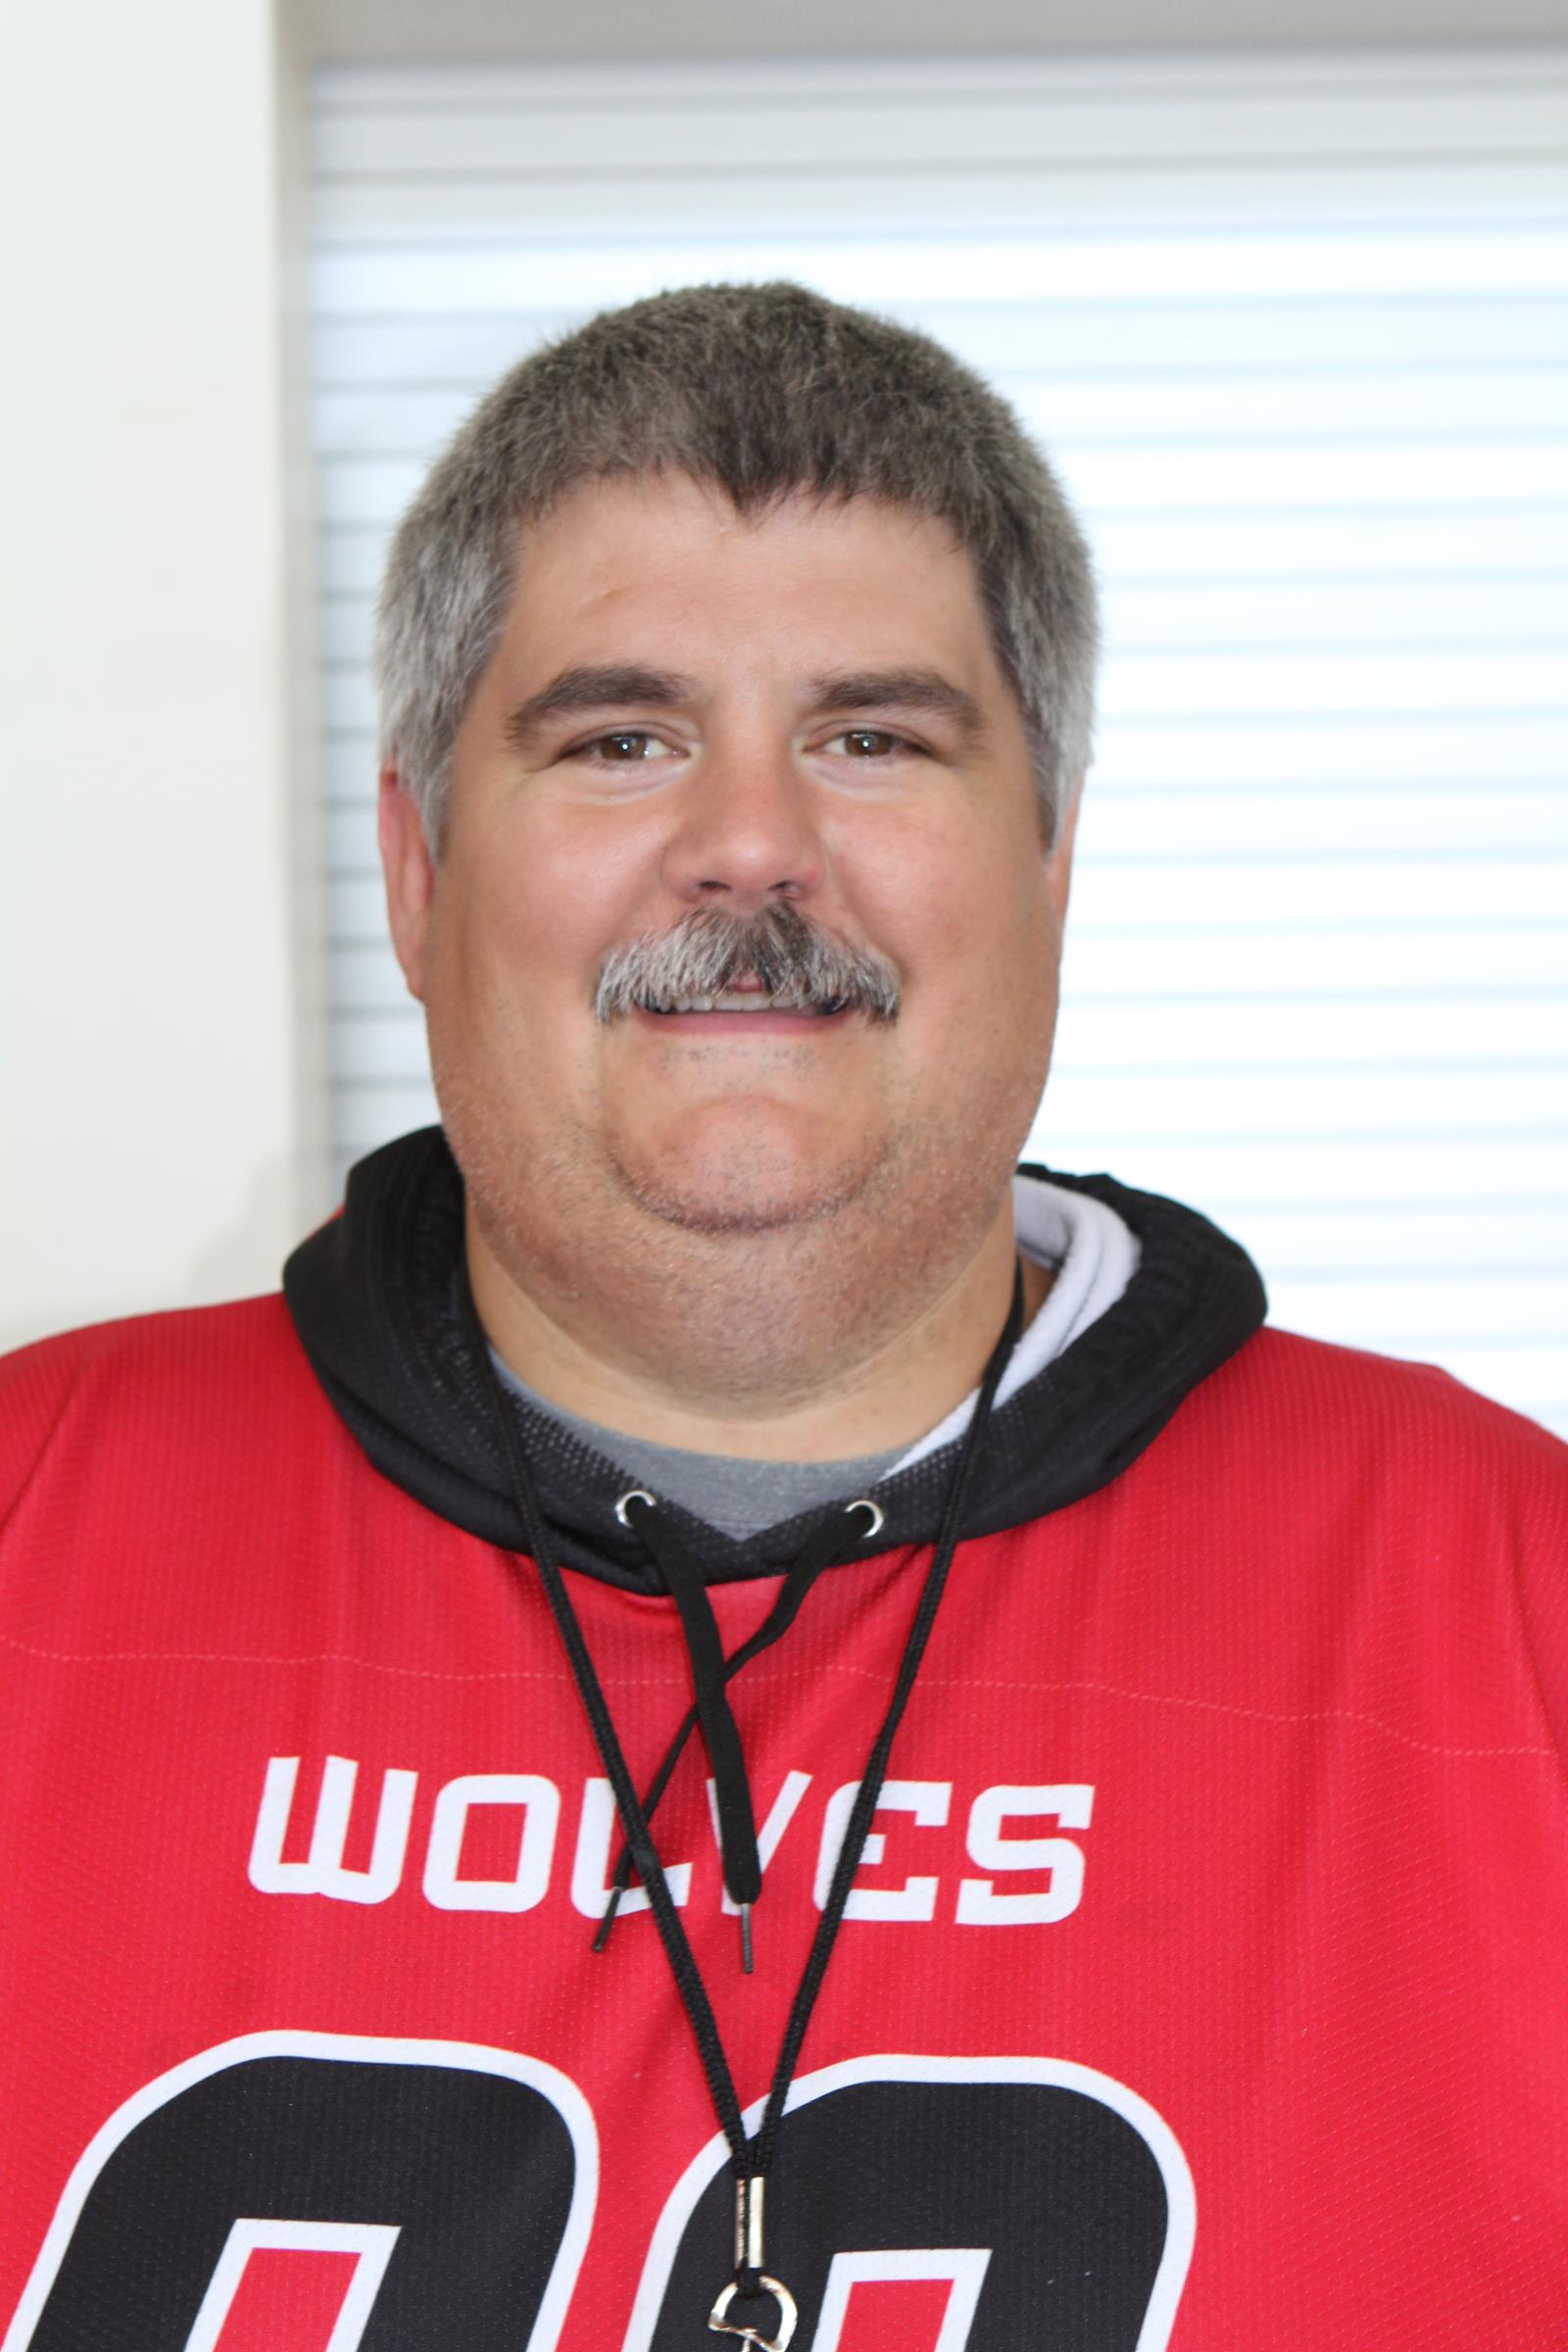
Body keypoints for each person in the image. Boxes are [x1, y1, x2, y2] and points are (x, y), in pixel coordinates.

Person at [1, 282, 1564, 2352]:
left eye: (870, 738)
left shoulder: (1510, 1601)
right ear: (417, 872)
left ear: (1050, 862)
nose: (750, 847)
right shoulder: (28, 1524)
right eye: (620, 740)